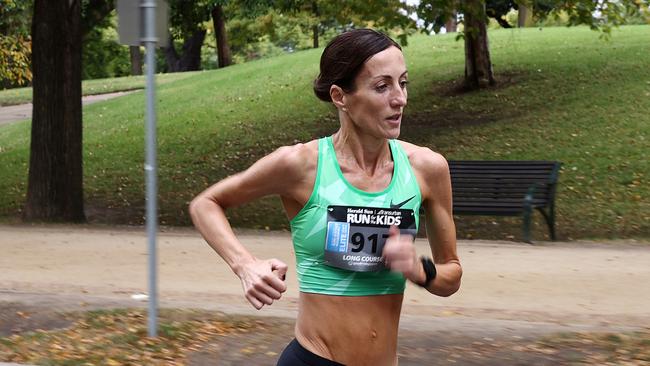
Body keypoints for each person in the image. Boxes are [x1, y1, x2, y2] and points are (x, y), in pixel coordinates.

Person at [189, 28, 462, 366]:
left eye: (402, 83)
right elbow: (206, 203)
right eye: (382, 86)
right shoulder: (301, 165)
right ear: (340, 96)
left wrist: (421, 270)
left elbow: (452, 275)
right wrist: (245, 265)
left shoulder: (427, 168)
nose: (400, 99)